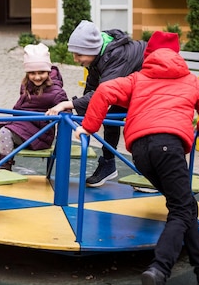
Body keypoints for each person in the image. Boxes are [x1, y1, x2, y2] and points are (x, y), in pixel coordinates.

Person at [72, 40, 199, 285]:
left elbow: (106, 90)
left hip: (141, 152)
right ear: (179, 59)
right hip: (168, 146)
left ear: (149, 58)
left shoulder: (138, 78)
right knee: (182, 210)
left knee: (183, 206)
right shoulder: (191, 81)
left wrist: (89, 127)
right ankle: (159, 269)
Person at [47, 20, 147, 187]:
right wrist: (81, 114)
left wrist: (68, 104)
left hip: (150, 87)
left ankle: (147, 174)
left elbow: (104, 92)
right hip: (131, 84)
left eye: (78, 54)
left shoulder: (117, 56)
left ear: (91, 50)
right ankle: (108, 164)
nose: (75, 59)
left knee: (138, 126)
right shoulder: (97, 56)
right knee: (111, 116)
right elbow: (92, 87)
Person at [0, 43, 68, 170]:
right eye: (32, 73)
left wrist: (62, 140)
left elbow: (67, 114)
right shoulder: (26, 85)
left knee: (5, 132)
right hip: (24, 125)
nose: (37, 77)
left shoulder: (56, 91)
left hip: (40, 134)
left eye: (41, 72)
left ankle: (4, 168)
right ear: (27, 73)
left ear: (48, 71)